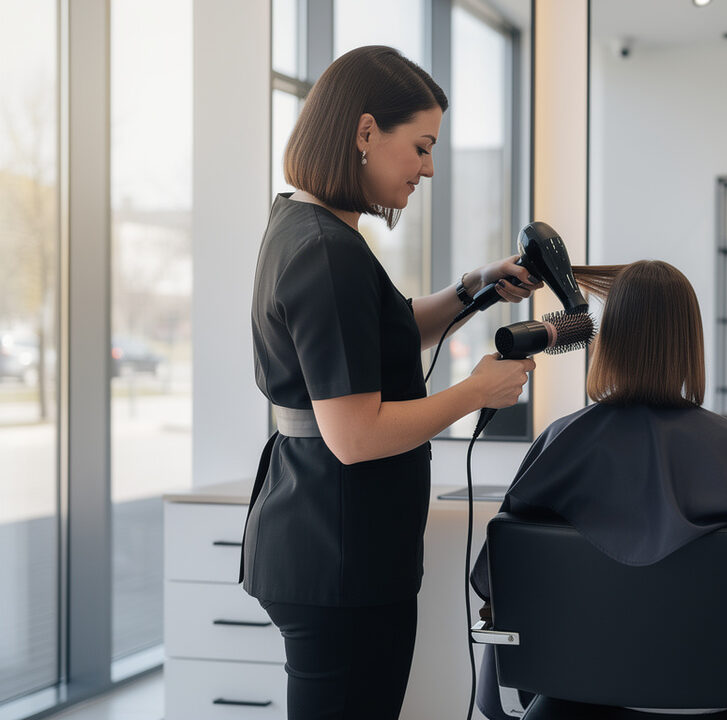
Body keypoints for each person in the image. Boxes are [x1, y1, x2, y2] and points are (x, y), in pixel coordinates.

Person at [241, 46, 542, 720]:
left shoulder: (306, 227)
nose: (429, 168)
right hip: (337, 554)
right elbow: (354, 435)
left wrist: (477, 288)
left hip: (322, 537)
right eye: (422, 146)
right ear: (366, 131)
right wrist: (474, 393)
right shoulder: (328, 254)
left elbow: (382, 335)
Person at [472, 260, 727, 719]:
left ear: (608, 339)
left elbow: (497, 585)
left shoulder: (559, 443)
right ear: (690, 343)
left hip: (580, 703)